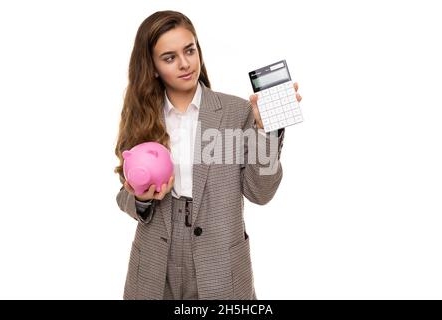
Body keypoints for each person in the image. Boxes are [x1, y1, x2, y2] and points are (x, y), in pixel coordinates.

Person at [114, 10, 302, 300]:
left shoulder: (237, 112)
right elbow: (123, 195)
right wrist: (140, 199)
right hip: (154, 261)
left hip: (221, 260)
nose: (185, 63)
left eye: (189, 50)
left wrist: (267, 131)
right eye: (169, 57)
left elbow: (260, 192)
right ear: (152, 67)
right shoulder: (141, 119)